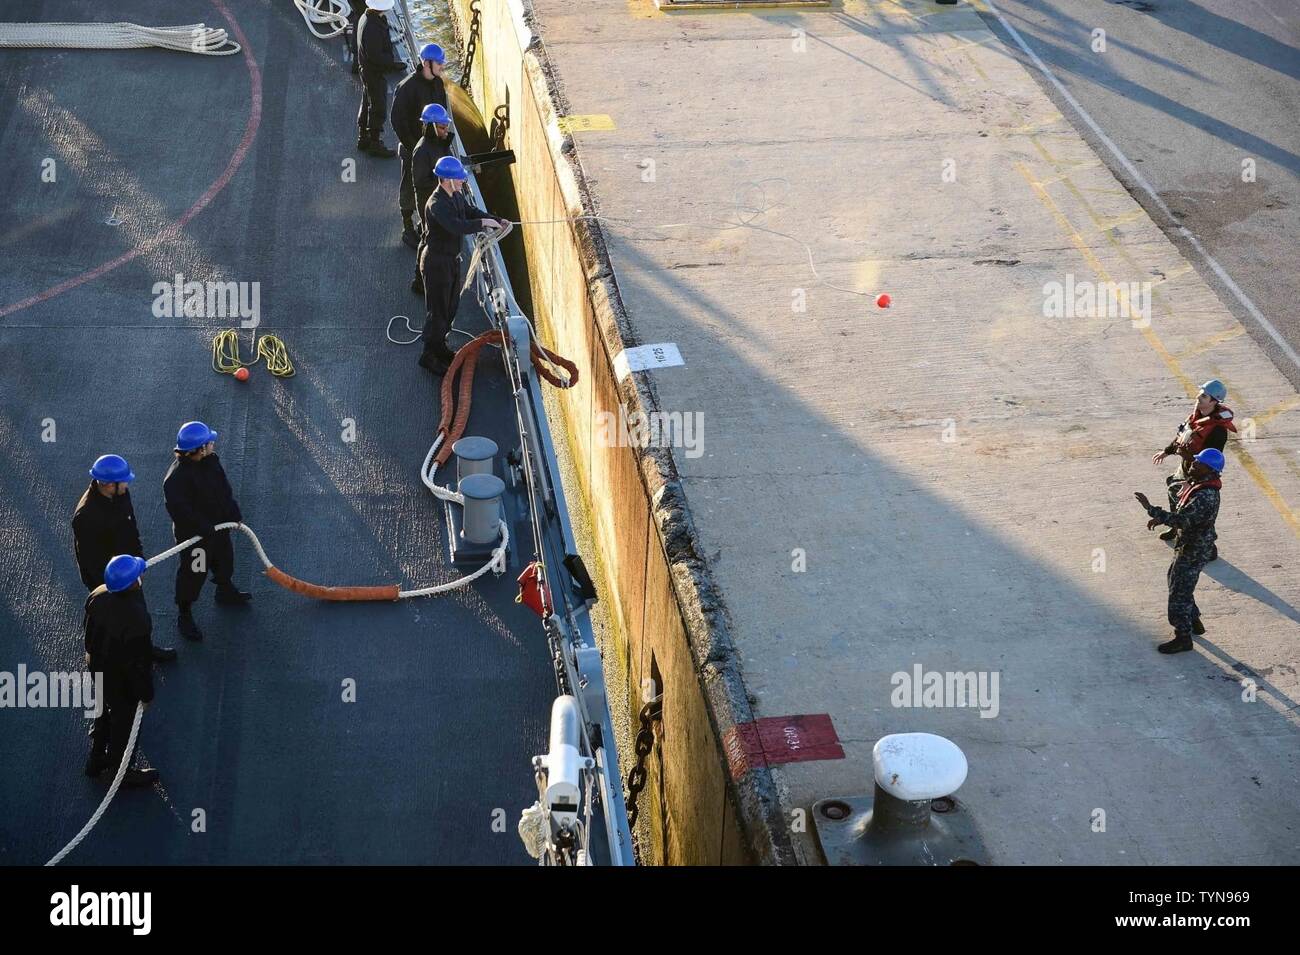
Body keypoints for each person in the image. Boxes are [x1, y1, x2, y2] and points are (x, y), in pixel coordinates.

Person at [72, 454, 176, 662]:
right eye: (124, 482)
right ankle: (115, 658)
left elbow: (130, 528)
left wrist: (138, 561)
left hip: (129, 571)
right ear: (110, 484)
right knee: (113, 619)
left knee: (138, 614)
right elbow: (91, 562)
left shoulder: (119, 496)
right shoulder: (86, 517)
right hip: (110, 580)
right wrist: (117, 582)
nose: (127, 485)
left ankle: (143, 650)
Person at [163, 421, 251, 642]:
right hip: (197, 540)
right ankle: (185, 613)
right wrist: (205, 529)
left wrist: (233, 513)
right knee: (194, 574)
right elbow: (181, 513)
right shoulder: (175, 479)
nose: (213, 444)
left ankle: (224, 589)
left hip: (219, 530)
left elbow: (224, 489)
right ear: (198, 449)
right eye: (209, 442)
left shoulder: (211, 462)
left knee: (225, 560)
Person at [417, 155, 505, 373]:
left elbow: (470, 212)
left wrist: (493, 219)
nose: (463, 182)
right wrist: (482, 223)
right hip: (437, 263)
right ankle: (429, 355)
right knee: (437, 311)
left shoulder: (455, 196)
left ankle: (441, 346)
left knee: (450, 306)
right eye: (459, 179)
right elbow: (456, 226)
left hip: (450, 260)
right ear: (447, 180)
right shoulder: (437, 204)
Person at [1134, 448, 1225, 655]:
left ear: (1209, 470)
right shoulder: (1201, 485)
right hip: (1193, 545)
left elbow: (1181, 520)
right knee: (1177, 581)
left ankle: (1183, 637)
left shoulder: (1205, 496)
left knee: (1178, 592)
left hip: (1194, 548)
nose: (1193, 465)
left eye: (1198, 463)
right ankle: (1194, 620)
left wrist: (1151, 509)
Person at [83, 555, 159, 787]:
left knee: (104, 709)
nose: (142, 574)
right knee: (124, 721)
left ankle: (95, 760)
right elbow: (138, 663)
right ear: (132, 583)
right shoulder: (137, 619)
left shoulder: (97, 594)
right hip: (119, 677)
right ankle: (119, 771)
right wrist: (145, 695)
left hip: (96, 663)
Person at [1152, 378, 1234, 558]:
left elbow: (1209, 462)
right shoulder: (1197, 416)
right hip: (1188, 466)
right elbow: (1183, 436)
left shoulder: (1217, 431)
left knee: (1201, 511)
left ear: (1214, 401)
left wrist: (1191, 483)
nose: (1199, 397)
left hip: (1200, 474)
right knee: (1173, 489)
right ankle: (1175, 527)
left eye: (1204, 396)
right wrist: (1167, 452)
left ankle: (1209, 548)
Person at [391, 43, 449, 248]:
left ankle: (424, 224)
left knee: (430, 188)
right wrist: (415, 148)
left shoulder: (438, 85)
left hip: (434, 148)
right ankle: (407, 226)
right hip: (412, 149)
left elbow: (442, 115)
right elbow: (397, 120)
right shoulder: (407, 88)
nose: (442, 66)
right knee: (410, 186)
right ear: (427, 63)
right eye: (439, 63)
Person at [409, 103, 455, 296]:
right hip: (428, 201)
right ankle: (419, 280)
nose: (446, 130)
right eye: (442, 127)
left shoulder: (438, 144)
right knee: (428, 239)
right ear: (432, 127)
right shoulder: (422, 151)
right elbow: (420, 182)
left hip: (438, 199)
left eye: (447, 127)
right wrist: (444, 186)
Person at [356, 0, 405, 158]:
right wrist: (390, 63)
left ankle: (363, 137)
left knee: (367, 103)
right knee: (378, 107)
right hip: (374, 73)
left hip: (367, 70)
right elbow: (375, 55)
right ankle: (375, 143)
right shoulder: (373, 27)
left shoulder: (366, 18)